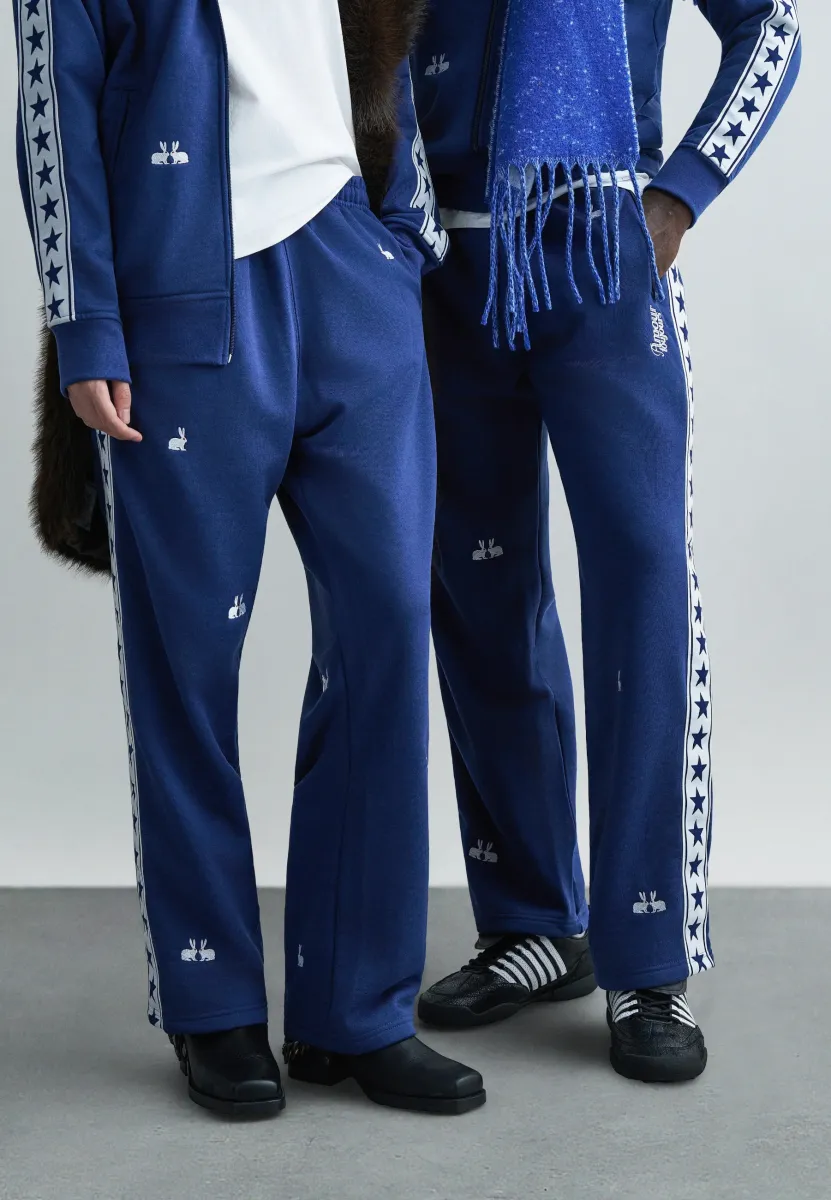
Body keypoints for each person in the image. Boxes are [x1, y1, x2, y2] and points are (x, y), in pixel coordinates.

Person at [13, 0, 487, 1118]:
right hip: (181, 283)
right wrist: (84, 322)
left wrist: (402, 230)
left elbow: (381, 54)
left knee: (384, 636)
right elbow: (52, 97)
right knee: (186, 666)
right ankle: (213, 1005)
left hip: (353, 265)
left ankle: (357, 1010)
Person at [411, 0, 801, 1082]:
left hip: (601, 248)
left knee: (642, 596)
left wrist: (681, 192)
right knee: (479, 599)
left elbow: (771, 30)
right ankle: (533, 922)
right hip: (443, 256)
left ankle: (648, 959)